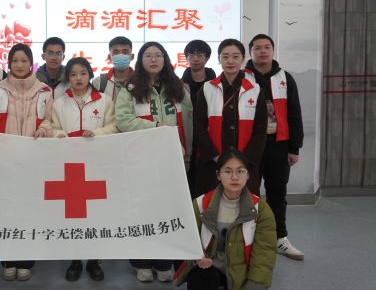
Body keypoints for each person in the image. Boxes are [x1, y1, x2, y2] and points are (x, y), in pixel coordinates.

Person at [114, 41, 193, 283]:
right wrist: (156, 127)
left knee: (168, 210)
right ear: (140, 60)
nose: (153, 59)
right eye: (148, 55)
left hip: (172, 159)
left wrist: (188, 152)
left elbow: (189, 121)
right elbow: (123, 120)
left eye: (158, 55)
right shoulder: (130, 88)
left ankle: (164, 262)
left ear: (165, 59)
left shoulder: (178, 88)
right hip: (141, 159)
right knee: (142, 210)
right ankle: (141, 262)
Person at [0, 43, 53, 281]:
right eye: (15, 60)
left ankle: (26, 261)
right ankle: (8, 259)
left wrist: (44, 129)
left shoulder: (45, 91)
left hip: (34, 161)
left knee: (30, 210)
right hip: (5, 161)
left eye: (24, 60)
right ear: (9, 63)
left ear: (31, 63)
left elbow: (50, 119)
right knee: (6, 210)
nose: (19, 65)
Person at [51, 57, 118, 282]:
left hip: (97, 165)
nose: (78, 78)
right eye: (73, 74)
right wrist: (60, 135)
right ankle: (74, 260)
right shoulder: (59, 103)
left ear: (89, 74)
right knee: (72, 216)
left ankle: (94, 261)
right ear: (67, 78)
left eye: (82, 73)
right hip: (69, 166)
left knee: (96, 214)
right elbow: (53, 128)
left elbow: (114, 127)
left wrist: (96, 134)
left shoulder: (104, 100)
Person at [175, 148, 277, 290]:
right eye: (228, 171)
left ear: (248, 175)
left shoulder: (261, 210)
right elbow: (187, 241)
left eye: (240, 171)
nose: (234, 177)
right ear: (218, 175)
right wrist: (197, 259)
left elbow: (264, 253)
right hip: (209, 269)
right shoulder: (200, 204)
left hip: (241, 274)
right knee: (201, 276)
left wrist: (254, 286)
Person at [245, 34, 305, 260]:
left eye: (267, 47)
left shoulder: (285, 78)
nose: (262, 51)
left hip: (278, 145)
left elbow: (294, 113)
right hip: (250, 146)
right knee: (248, 194)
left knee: (277, 194)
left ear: (273, 50)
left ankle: (280, 238)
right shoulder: (242, 77)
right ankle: (248, 239)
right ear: (250, 52)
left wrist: (294, 148)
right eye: (257, 48)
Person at [194, 39, 267, 197]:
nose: (230, 61)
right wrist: (216, 157)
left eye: (235, 56)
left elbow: (261, 130)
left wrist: (244, 161)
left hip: (246, 164)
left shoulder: (255, 90)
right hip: (213, 163)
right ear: (219, 59)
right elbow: (199, 127)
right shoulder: (207, 89)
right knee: (212, 204)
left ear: (243, 58)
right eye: (225, 57)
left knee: (246, 205)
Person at [181, 40, 217, 196]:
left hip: (210, 137)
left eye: (200, 55)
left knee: (208, 180)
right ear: (186, 58)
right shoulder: (179, 85)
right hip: (188, 137)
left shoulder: (216, 84)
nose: (195, 59)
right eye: (191, 55)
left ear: (207, 58)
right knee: (187, 180)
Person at [92, 36, 134, 103]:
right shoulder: (98, 82)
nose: (120, 55)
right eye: (116, 52)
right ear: (109, 57)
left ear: (132, 56)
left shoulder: (141, 81)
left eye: (125, 52)